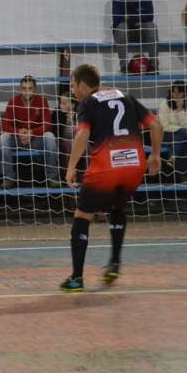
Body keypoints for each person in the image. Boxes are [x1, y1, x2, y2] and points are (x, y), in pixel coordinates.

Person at [61, 64, 163, 292]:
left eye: (73, 86)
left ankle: (76, 278)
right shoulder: (126, 97)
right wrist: (155, 155)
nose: (73, 92)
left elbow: (83, 133)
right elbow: (156, 125)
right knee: (117, 207)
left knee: (82, 215)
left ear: (84, 86)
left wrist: (71, 166)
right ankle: (115, 262)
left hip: (106, 168)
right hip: (134, 166)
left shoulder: (87, 103)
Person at [0, 75, 60, 188]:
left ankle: (52, 177)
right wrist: (18, 132)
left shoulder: (42, 101)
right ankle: (8, 178)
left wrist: (32, 133)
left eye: (30, 88)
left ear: (35, 89)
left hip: (36, 140)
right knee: (3, 138)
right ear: (20, 89)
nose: (27, 91)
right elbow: (5, 125)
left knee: (50, 136)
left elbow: (48, 125)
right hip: (19, 140)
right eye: (24, 88)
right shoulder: (13, 101)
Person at [112, 0, 159, 74]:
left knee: (151, 26)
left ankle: (154, 65)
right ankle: (124, 67)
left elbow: (150, 16)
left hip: (142, 32)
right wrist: (136, 21)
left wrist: (128, 18)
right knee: (122, 27)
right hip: (125, 33)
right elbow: (116, 19)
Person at [159, 81, 187, 184]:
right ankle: (183, 174)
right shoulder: (164, 105)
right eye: (174, 92)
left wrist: (180, 109)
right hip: (167, 135)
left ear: (185, 93)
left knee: (184, 141)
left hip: (183, 136)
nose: (176, 95)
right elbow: (164, 126)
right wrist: (179, 128)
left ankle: (177, 167)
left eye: (179, 92)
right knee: (183, 135)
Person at [52, 87, 77, 172]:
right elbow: (55, 131)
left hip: (77, 141)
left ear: (73, 105)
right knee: (69, 144)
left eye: (64, 103)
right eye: (60, 103)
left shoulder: (79, 114)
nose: (61, 105)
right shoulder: (57, 114)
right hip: (62, 141)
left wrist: (73, 120)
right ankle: (68, 172)